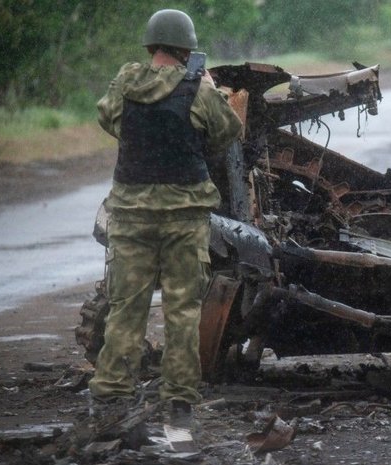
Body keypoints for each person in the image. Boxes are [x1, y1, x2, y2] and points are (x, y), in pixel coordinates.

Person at [87, 9, 243, 428]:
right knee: (182, 310)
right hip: (184, 217)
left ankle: (111, 397)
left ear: (152, 45)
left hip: (131, 214)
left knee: (126, 307)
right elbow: (228, 132)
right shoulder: (199, 89)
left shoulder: (125, 82)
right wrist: (211, 90)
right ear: (186, 48)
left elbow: (108, 118)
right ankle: (178, 401)